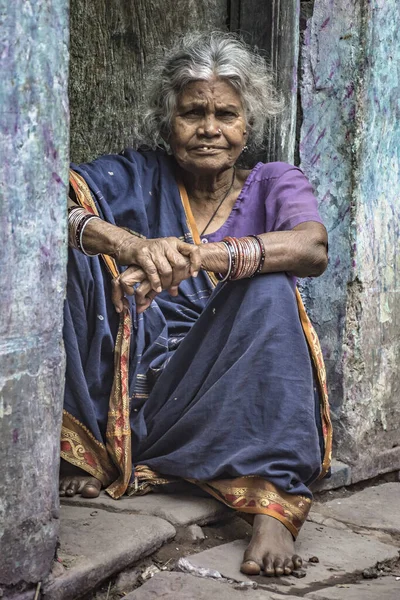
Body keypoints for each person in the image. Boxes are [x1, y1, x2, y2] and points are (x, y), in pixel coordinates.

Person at [60, 32, 332, 577]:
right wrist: (129, 246)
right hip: (134, 397)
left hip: (224, 394)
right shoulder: (133, 175)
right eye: (192, 113)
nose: (210, 128)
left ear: (247, 125)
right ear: (168, 123)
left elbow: (311, 247)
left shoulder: (274, 181)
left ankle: (272, 502)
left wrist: (202, 258)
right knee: (71, 256)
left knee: (268, 283)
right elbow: (44, 206)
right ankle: (92, 449)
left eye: (226, 114)